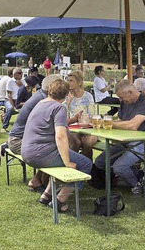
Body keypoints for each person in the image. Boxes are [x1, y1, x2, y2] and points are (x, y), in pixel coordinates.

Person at [20, 79, 92, 212]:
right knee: (85, 164)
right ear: (66, 94)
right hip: (40, 154)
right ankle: (59, 201)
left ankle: (46, 195)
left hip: (26, 151)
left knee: (63, 159)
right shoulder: (59, 108)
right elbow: (60, 136)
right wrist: (67, 162)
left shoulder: (40, 103)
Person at [93, 80, 145, 196]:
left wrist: (110, 124)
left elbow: (133, 125)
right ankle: (140, 175)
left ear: (130, 92)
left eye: (122, 97)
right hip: (127, 141)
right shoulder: (125, 102)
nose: (120, 100)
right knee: (100, 162)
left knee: (119, 167)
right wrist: (107, 122)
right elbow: (121, 120)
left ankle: (136, 185)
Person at [7, 75, 61, 191]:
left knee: (57, 147)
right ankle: (46, 183)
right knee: (59, 149)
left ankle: (37, 180)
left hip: (17, 138)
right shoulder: (43, 100)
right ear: (53, 87)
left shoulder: (41, 96)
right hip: (18, 141)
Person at [66, 71, 98, 159]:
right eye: (68, 80)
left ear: (79, 82)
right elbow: (64, 118)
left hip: (88, 127)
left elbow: (92, 115)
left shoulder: (88, 96)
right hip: (73, 129)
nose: (68, 83)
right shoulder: (66, 97)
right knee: (75, 143)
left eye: (71, 80)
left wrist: (84, 121)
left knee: (87, 143)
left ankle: (88, 168)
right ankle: (72, 166)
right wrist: (68, 103)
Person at [1, 68, 26, 133]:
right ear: (15, 74)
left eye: (21, 73)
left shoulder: (23, 81)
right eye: (20, 73)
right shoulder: (10, 81)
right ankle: (4, 127)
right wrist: (13, 105)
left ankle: (24, 126)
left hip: (19, 100)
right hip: (9, 100)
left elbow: (27, 90)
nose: (21, 74)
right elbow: (9, 95)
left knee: (28, 107)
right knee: (10, 108)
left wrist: (21, 85)